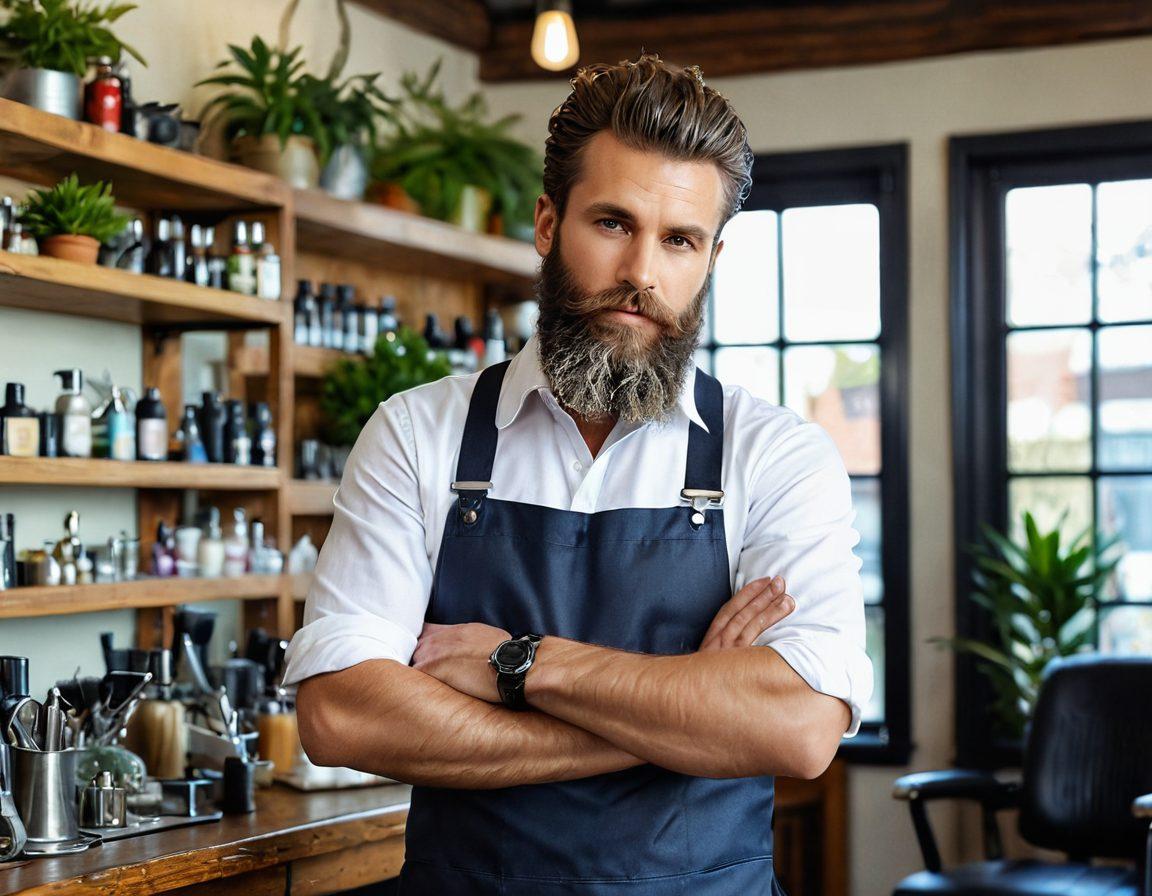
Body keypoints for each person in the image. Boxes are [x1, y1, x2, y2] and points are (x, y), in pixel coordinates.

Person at [283, 51, 873, 895]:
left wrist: (519, 666)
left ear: (710, 258)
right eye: (613, 224)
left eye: (679, 240)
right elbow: (340, 715)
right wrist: (677, 714)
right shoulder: (419, 433)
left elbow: (799, 728)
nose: (642, 273)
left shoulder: (775, 454)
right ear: (547, 224)